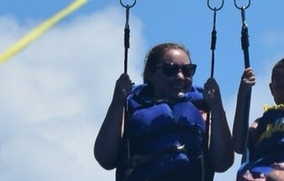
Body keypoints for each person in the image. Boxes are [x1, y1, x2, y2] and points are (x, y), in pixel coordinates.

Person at [94, 42, 235, 181]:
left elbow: (223, 163)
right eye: (170, 69)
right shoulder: (131, 105)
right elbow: (105, 159)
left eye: (188, 70)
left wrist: (216, 107)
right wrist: (117, 102)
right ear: (151, 74)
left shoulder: (203, 107)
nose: (180, 76)